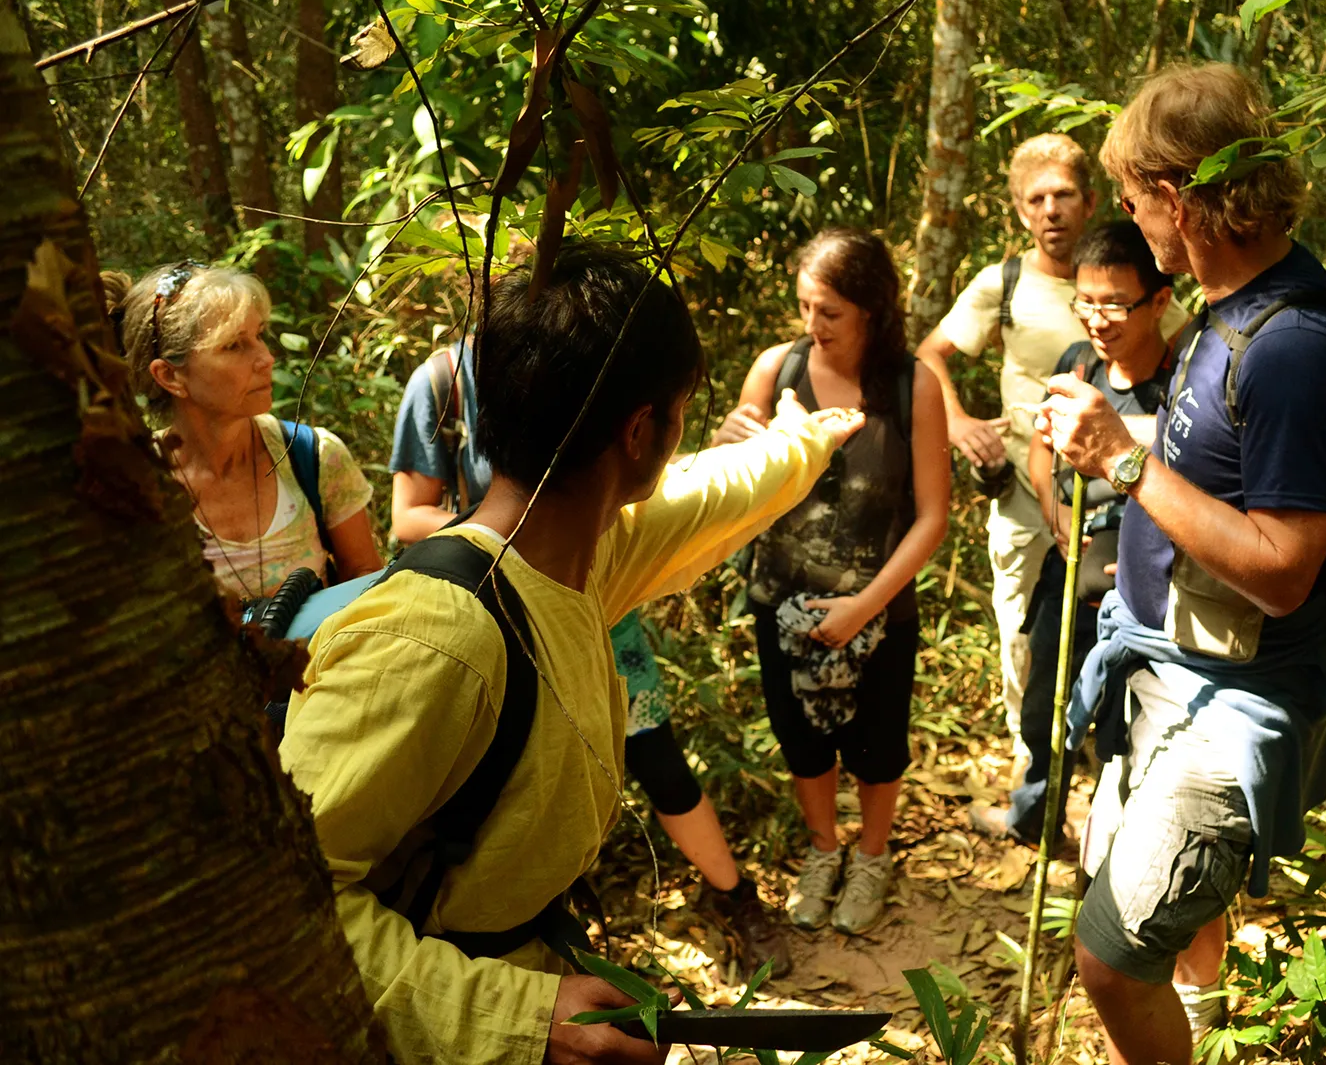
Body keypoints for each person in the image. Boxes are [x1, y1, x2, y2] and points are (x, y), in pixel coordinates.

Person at [281, 241, 864, 1064]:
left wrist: (810, 440)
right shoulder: (435, 636)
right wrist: (521, 1017)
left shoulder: (581, 557)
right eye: (679, 410)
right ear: (638, 431)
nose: (681, 435)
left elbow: (720, 486)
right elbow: (285, 902)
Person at [1039, 64, 1326, 1063]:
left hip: (1236, 700)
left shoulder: (1291, 344)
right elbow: (1217, 466)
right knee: (1129, 932)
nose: (1131, 222)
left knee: (1110, 957)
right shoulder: (1224, 315)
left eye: (1136, 201)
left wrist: (1119, 459)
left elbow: (1281, 566)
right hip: (1170, 672)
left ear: (1177, 199)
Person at [389, 336, 793, 976]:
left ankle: (732, 895)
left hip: (593, 593)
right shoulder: (442, 383)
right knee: (502, 786)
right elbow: (408, 515)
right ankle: (483, 955)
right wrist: (514, 532)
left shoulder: (584, 357)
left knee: (659, 762)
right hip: (484, 605)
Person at [712, 228, 949, 935]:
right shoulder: (775, 370)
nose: (813, 327)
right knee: (802, 741)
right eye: (806, 308)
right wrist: (727, 451)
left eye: (830, 312)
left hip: (879, 605)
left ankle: (871, 857)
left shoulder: (914, 385)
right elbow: (736, 495)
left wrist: (864, 606)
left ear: (871, 310)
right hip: (781, 598)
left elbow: (933, 516)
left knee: (879, 745)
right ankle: (823, 851)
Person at [970, 221, 1178, 844]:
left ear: (1159, 301)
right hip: (1068, 567)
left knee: (1125, 719)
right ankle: (1035, 817)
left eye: (1115, 303)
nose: (1098, 318)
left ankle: (1118, 841)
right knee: (1045, 703)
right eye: (1086, 302)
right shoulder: (1078, 363)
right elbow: (1043, 448)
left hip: (1140, 586)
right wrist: (1053, 513)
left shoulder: (1181, 381)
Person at [912, 133, 1098, 781]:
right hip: (1022, 493)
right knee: (1020, 629)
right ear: (1020, 211)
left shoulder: (1122, 276)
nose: (1051, 210)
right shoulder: (1005, 283)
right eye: (1037, 199)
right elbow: (931, 355)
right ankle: (1034, 762)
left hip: (1116, 499)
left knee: (1108, 627)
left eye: (1064, 195)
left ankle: (1098, 749)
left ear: (1090, 202)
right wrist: (959, 421)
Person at [116, 262, 382, 605]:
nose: (266, 358)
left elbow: (367, 584)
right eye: (234, 346)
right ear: (170, 376)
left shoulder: (312, 456)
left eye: (259, 335)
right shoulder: (136, 482)